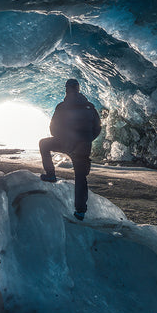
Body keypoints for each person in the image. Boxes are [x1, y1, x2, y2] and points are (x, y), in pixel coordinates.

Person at [39, 78, 101, 220]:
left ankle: (50, 174)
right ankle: (80, 211)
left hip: (65, 143)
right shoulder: (90, 106)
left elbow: (53, 129)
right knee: (80, 177)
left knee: (44, 144)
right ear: (78, 89)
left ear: (67, 89)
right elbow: (98, 128)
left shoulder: (62, 106)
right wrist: (87, 140)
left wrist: (63, 140)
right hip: (83, 147)